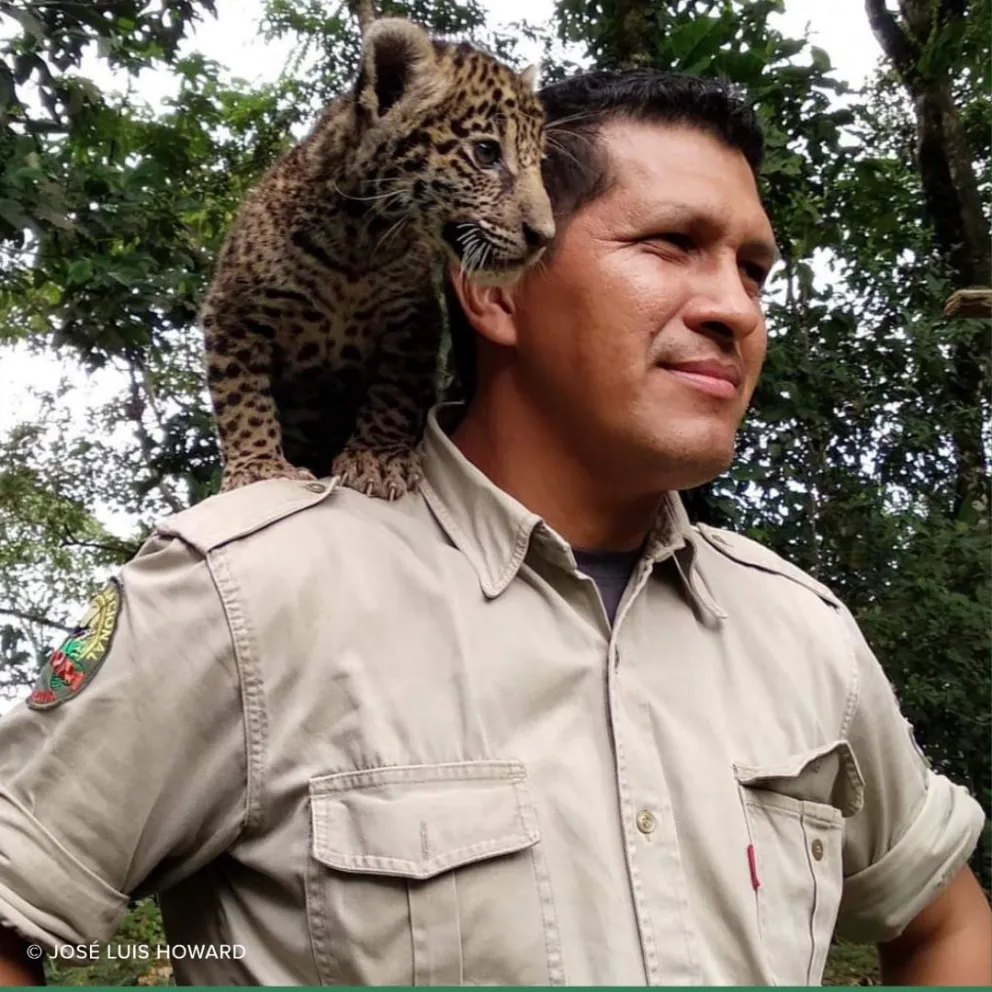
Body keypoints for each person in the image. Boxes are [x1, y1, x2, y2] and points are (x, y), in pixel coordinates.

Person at [0, 69, 988, 987]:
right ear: (495, 287)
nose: (733, 306)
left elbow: (943, 920)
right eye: (668, 243)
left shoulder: (798, 629)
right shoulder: (243, 593)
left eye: (753, 267)